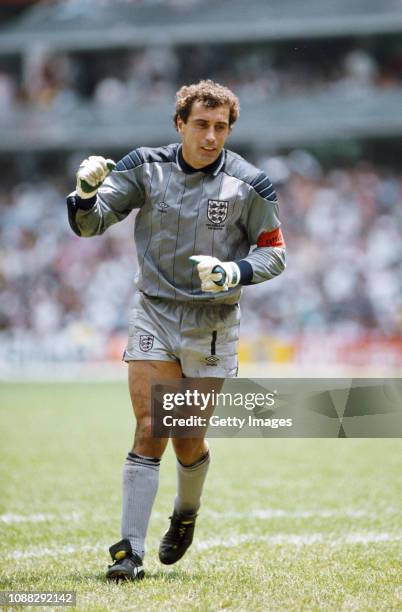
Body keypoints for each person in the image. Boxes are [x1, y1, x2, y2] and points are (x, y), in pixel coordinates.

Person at [66, 79, 286, 581]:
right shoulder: (144, 167)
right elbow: (90, 225)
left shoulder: (252, 185)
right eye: (202, 125)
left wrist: (236, 272)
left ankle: (186, 513)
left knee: (188, 439)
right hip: (155, 312)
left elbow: (275, 252)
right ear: (179, 124)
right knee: (150, 427)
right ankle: (128, 552)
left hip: (213, 322)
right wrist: (83, 195)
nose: (211, 137)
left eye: (221, 127)